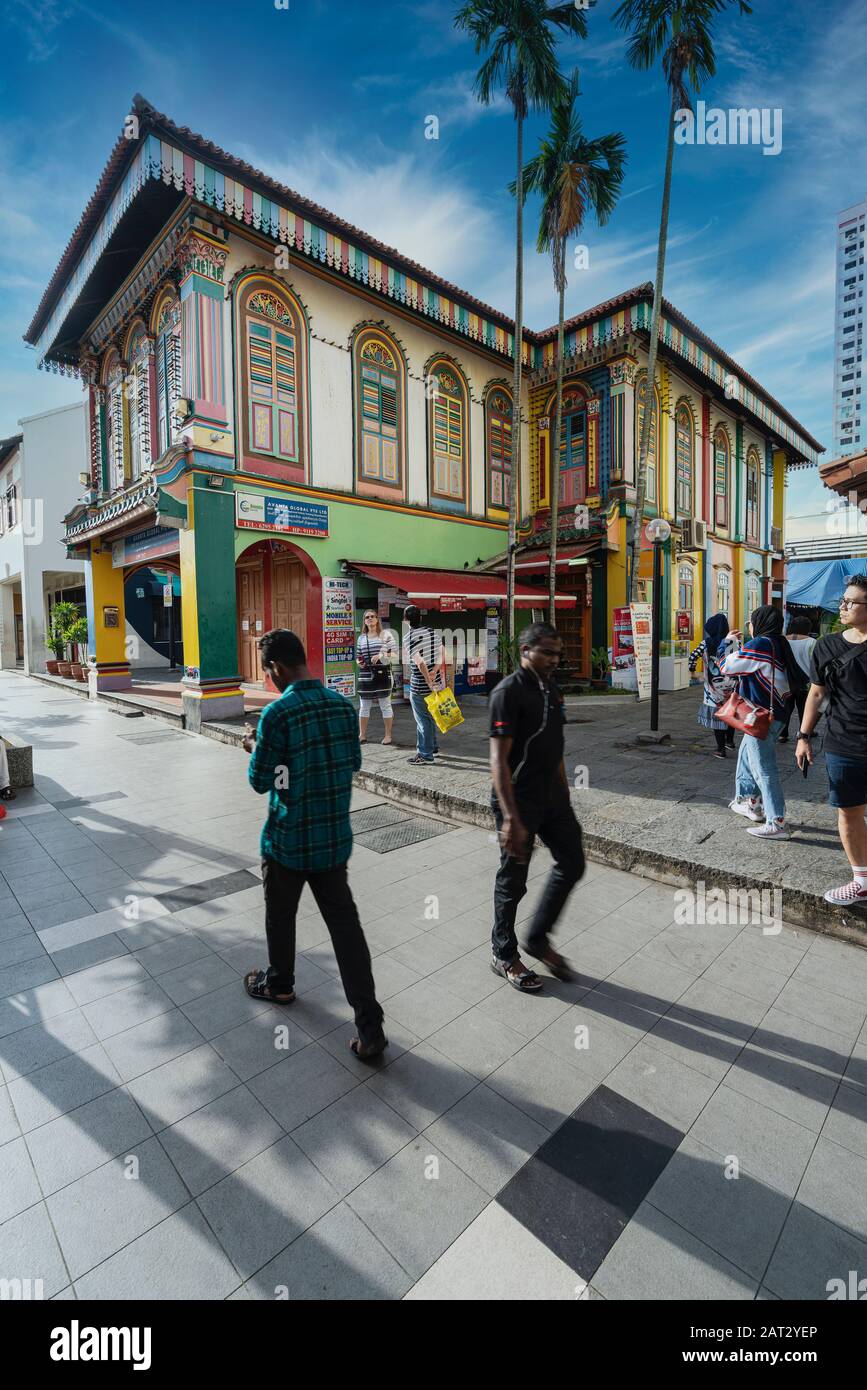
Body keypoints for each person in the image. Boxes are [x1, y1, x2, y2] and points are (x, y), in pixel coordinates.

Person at [242, 628, 386, 1060]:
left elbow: (260, 780)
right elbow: (352, 763)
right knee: (347, 932)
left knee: (280, 918)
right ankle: (370, 1028)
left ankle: (280, 984)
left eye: (268, 672)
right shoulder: (343, 708)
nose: (269, 679)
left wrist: (254, 746)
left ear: (277, 668)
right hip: (332, 842)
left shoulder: (278, 715)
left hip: (287, 842)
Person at [488, 622, 584, 991]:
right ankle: (503, 954)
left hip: (553, 798)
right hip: (518, 799)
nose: (554, 659)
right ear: (526, 650)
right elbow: (498, 760)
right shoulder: (507, 692)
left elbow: (555, 744)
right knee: (513, 881)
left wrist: (565, 790)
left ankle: (539, 938)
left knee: (573, 862)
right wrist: (510, 817)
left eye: (558, 653)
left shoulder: (551, 687)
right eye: (547, 651)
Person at [797, 577, 867, 904]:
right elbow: (816, 693)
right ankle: (862, 879)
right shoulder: (827, 645)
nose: (843, 606)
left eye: (851, 602)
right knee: (848, 812)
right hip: (844, 744)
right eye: (843, 600)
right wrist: (803, 736)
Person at [720, 605, 799, 840]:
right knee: (746, 758)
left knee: (763, 769)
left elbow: (726, 667)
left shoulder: (761, 644)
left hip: (760, 717)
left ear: (760, 623)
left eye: (750, 622)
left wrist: (726, 643)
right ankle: (750, 804)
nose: (749, 627)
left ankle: (776, 822)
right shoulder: (778, 643)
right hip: (774, 715)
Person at [688, 613, 739, 758]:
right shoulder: (734, 642)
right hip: (732, 685)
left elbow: (692, 657)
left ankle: (720, 748)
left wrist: (692, 671)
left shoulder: (706, 643)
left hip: (713, 686)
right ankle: (730, 741)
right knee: (730, 713)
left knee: (717, 715)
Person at [402, 604, 446, 766]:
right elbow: (442, 653)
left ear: (406, 620)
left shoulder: (408, 637)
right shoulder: (431, 632)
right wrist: (434, 671)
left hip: (420, 685)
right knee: (430, 716)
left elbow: (419, 662)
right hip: (436, 682)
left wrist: (428, 680)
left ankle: (425, 754)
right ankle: (432, 747)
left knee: (423, 720)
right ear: (420, 618)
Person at [356, 609, 397, 745]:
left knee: (385, 705)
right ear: (364, 621)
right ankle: (362, 735)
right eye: (367, 617)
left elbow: (395, 654)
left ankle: (388, 735)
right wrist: (359, 662)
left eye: (372, 616)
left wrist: (381, 655)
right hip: (366, 674)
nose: (370, 619)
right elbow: (358, 656)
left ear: (377, 619)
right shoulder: (361, 638)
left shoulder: (386, 635)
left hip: (382, 673)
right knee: (364, 706)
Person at [778, 616, 815, 744]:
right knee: (804, 708)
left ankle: (782, 734)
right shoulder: (811, 642)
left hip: (785, 681)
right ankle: (804, 732)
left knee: (786, 708)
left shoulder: (783, 640)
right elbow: (815, 663)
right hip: (805, 681)